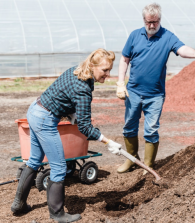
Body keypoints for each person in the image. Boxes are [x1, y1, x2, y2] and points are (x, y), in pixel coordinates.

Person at [10, 48, 122, 222]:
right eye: (105, 70)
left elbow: (64, 96)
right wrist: (107, 141)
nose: (108, 74)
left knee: (34, 160)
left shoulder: (76, 70)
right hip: (45, 119)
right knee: (59, 168)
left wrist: (72, 114)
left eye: (110, 70)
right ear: (92, 66)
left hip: (35, 109)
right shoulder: (83, 88)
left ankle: (18, 205)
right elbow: (85, 127)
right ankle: (57, 214)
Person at [116, 3, 195, 174]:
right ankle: (132, 159)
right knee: (129, 126)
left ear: (160, 20)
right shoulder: (135, 36)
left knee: (151, 130)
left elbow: (181, 49)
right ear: (144, 20)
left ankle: (148, 164)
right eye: (148, 22)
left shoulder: (167, 36)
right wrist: (120, 83)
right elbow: (124, 59)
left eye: (155, 22)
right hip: (133, 92)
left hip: (155, 95)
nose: (151, 25)